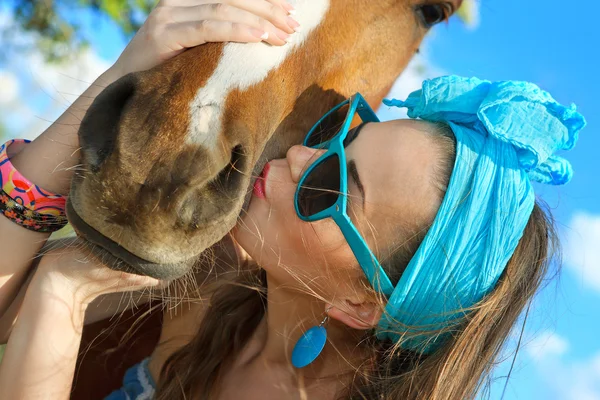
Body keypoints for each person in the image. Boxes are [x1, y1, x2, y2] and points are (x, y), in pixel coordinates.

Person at [0, 2, 586, 400]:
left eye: (332, 187)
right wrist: (124, 72)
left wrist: (60, 293)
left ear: (364, 302)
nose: (301, 157)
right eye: (343, 133)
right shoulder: (218, 294)